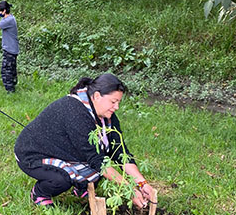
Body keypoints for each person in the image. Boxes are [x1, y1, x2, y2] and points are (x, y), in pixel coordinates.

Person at [14, 74, 154, 208]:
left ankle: (81, 186)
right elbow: (97, 161)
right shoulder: (75, 112)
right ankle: (40, 193)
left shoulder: (107, 116)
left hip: (65, 151)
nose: (116, 107)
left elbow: (120, 152)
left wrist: (142, 184)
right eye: (113, 101)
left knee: (99, 171)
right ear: (97, 96)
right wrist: (128, 189)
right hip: (33, 153)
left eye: (118, 102)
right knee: (61, 180)